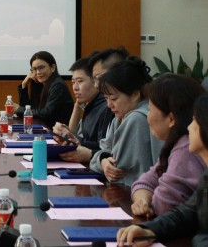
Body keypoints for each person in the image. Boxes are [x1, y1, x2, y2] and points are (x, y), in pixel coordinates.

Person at [117, 94, 208, 246]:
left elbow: (164, 205)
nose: (189, 127)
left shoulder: (183, 149)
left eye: (195, 121)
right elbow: (186, 214)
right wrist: (150, 230)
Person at [130, 74, 206, 217]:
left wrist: (148, 204)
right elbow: (146, 181)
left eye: (150, 109)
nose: (147, 116)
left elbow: (163, 206)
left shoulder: (186, 150)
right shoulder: (178, 144)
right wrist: (142, 201)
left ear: (171, 119)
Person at [89, 57, 163, 186]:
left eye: (113, 98)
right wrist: (103, 161)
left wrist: (103, 163)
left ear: (135, 94)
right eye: (106, 98)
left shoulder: (136, 118)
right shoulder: (120, 117)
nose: (109, 105)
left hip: (135, 192)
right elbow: (104, 151)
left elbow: (117, 168)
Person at [53, 56, 114, 163]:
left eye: (80, 81)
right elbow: (76, 134)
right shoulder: (91, 103)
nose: (75, 87)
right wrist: (76, 106)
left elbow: (102, 147)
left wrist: (70, 137)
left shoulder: (107, 107)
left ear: (95, 81)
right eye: (73, 82)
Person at [14, 51, 73, 129]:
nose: (38, 72)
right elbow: (28, 110)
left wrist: (20, 110)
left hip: (58, 133)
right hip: (44, 129)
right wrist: (24, 85)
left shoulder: (58, 85)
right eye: (34, 69)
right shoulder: (40, 84)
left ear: (52, 68)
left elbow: (46, 114)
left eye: (41, 68)